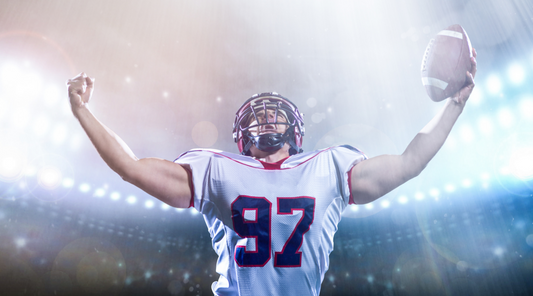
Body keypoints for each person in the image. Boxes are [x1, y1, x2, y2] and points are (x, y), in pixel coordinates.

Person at [66, 49, 477, 296]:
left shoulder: (329, 165)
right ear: (242, 135)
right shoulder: (215, 168)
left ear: (294, 130)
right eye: (257, 116)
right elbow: (131, 169)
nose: (265, 121)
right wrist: (84, 112)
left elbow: (409, 163)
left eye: (273, 114)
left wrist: (453, 105)